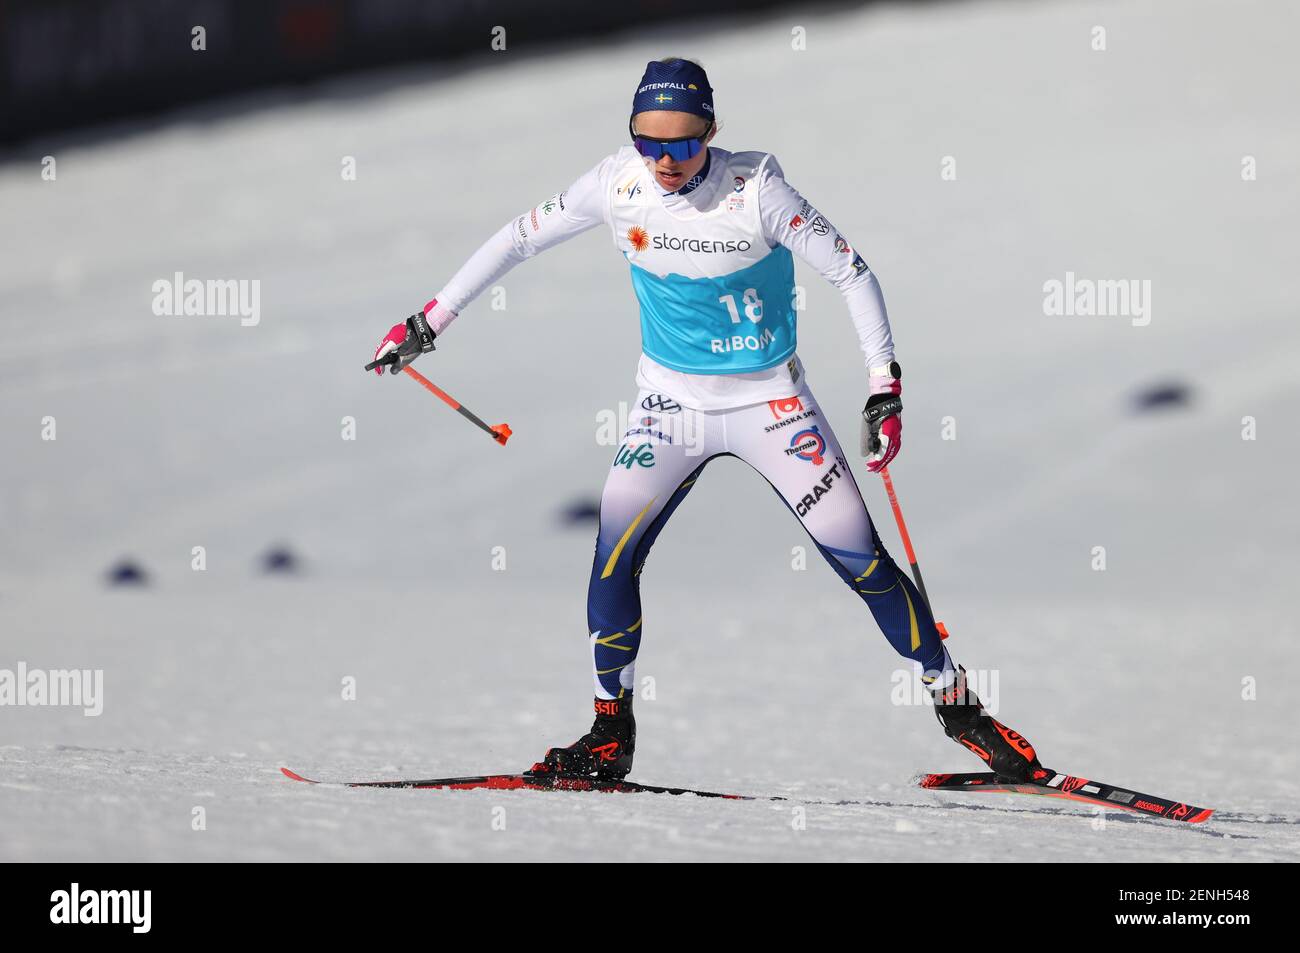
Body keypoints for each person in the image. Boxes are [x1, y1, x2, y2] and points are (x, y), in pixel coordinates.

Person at [373, 58, 1047, 784]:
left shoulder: (758, 192)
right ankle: (610, 732)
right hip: (671, 407)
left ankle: (961, 709)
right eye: (647, 142)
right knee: (612, 553)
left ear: (712, 132)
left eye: (683, 144)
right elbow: (517, 238)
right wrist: (428, 320)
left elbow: (851, 272)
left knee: (862, 561)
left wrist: (885, 387)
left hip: (772, 405)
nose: (663, 162)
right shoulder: (617, 183)